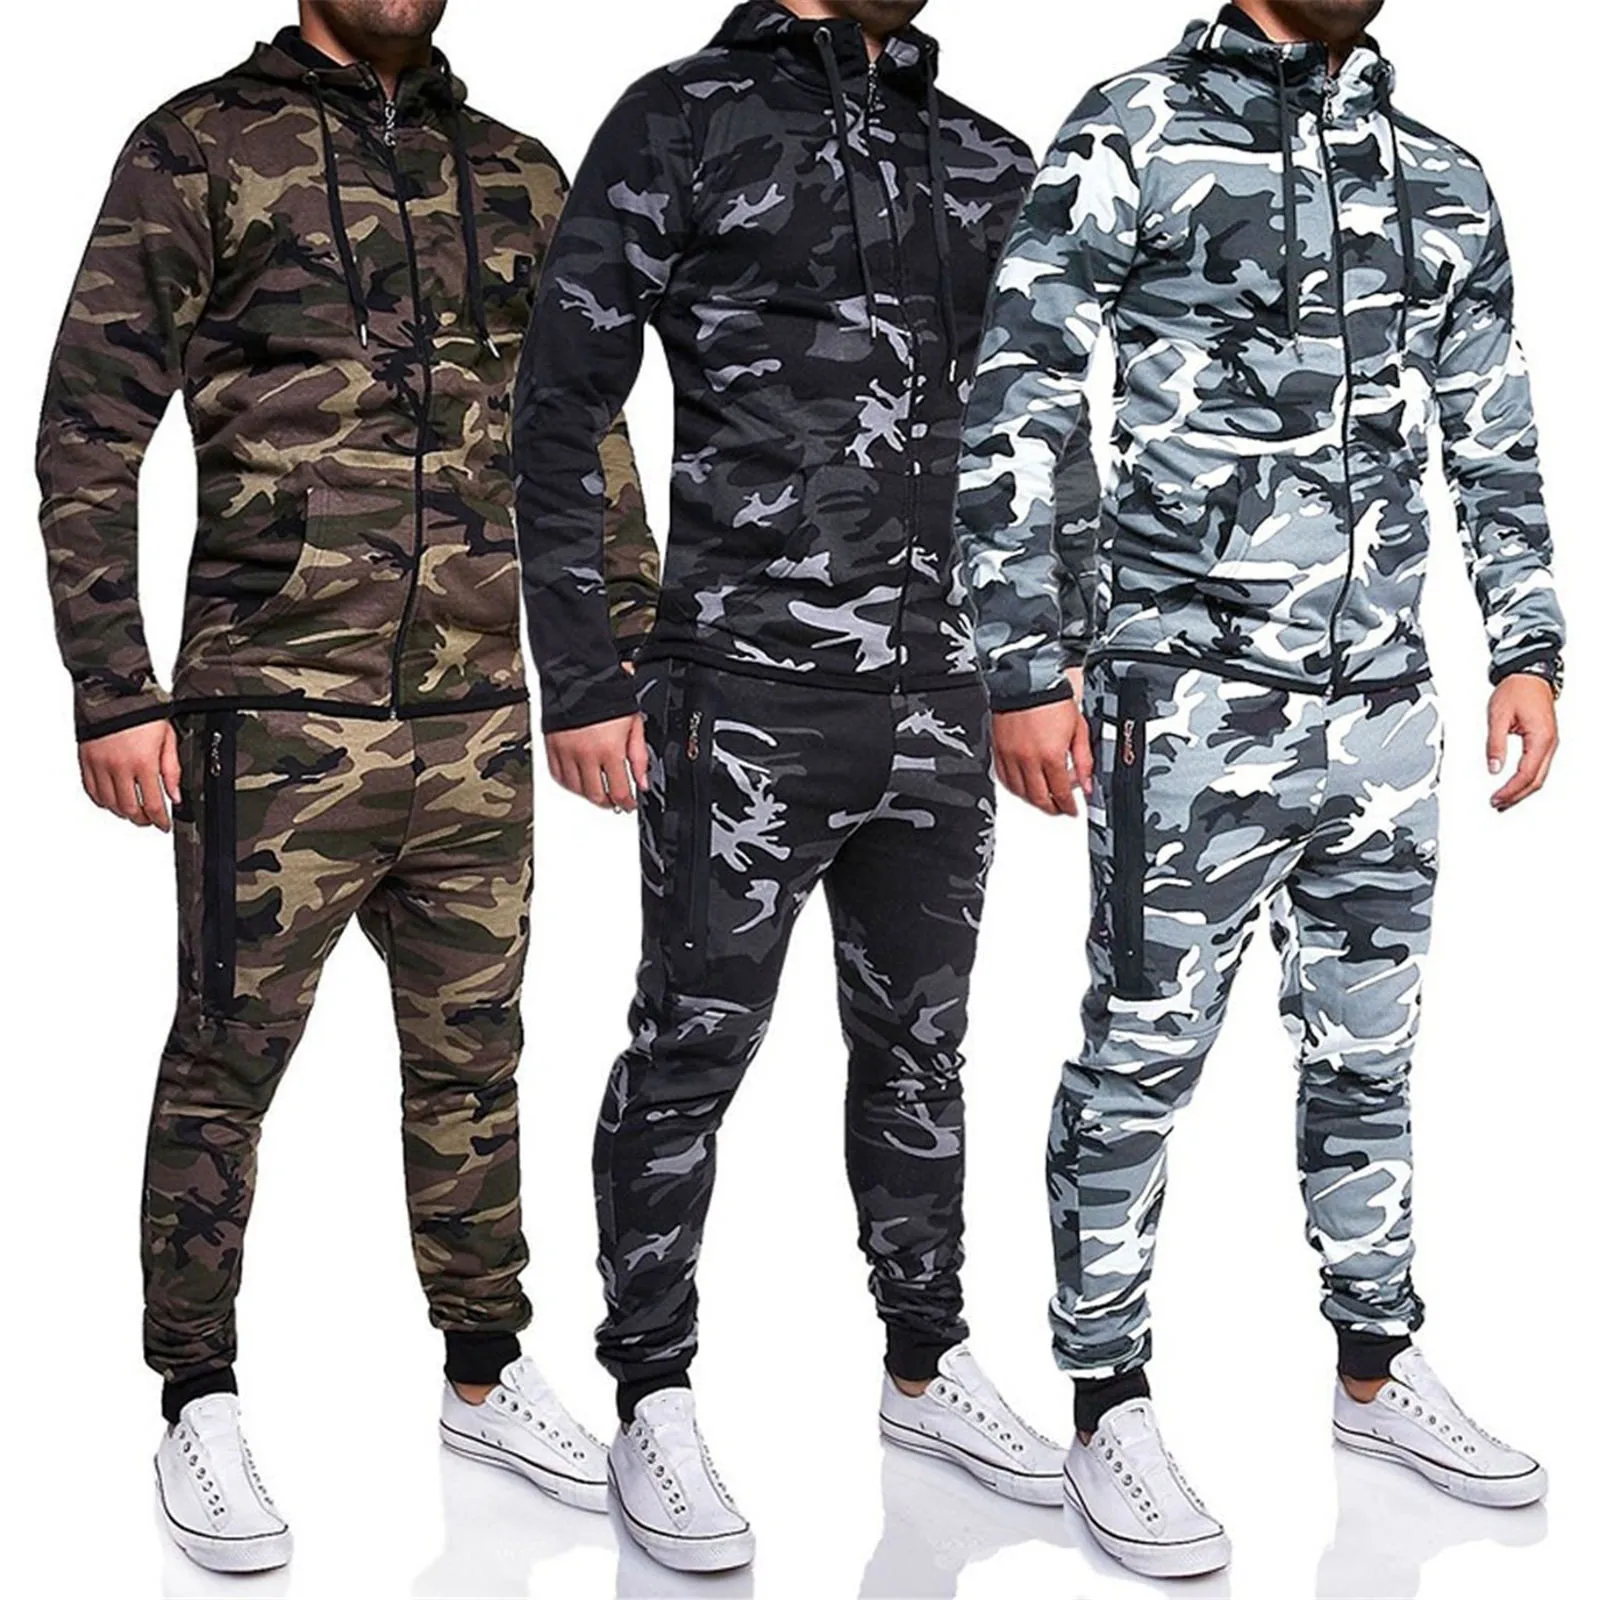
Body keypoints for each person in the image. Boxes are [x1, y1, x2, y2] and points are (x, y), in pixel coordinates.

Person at [36, 0, 657, 1573]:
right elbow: (90, 428)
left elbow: (582, 437)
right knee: (227, 1064)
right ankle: (196, 1396)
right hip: (271, 722)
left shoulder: (517, 173)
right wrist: (113, 684)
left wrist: (626, 660)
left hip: (475, 719)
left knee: (474, 1063)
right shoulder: (197, 147)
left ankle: (483, 1371)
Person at [957, 0, 1562, 1578]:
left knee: (1370, 1054)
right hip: (1186, 700)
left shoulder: (1440, 175)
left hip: (1383, 711)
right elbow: (1019, 387)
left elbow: (1491, 425)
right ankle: (1107, 1399)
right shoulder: (1139, 126)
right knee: (1141, 1056)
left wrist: (1528, 645)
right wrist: (1023, 660)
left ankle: (1375, 1365)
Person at [515, 0, 1065, 1573]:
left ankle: (925, 1363)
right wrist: (589, 672)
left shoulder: (981, 157)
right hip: (740, 691)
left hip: (942, 697)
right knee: (692, 1047)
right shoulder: (685, 116)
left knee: (922, 1050)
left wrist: (1045, 660)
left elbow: (1042, 429)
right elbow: (561, 399)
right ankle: (651, 1389)